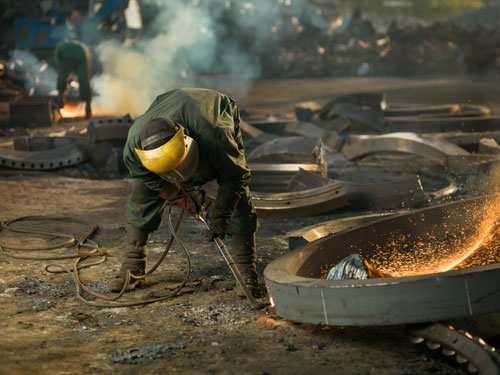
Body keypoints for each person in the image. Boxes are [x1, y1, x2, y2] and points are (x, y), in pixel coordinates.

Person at [109, 88, 260, 298]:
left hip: (210, 114)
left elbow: (236, 178)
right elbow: (149, 180)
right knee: (141, 197)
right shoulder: (134, 149)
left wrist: (221, 215)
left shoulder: (216, 135)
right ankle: (132, 265)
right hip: (174, 108)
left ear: (187, 140)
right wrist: (181, 197)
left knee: (238, 198)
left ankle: (247, 271)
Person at [54, 40, 92, 118]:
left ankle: (60, 101)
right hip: (82, 56)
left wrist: (63, 81)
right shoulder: (81, 46)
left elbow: (59, 66)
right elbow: (87, 61)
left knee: (62, 77)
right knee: (84, 81)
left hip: (67, 57)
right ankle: (88, 109)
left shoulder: (59, 49)